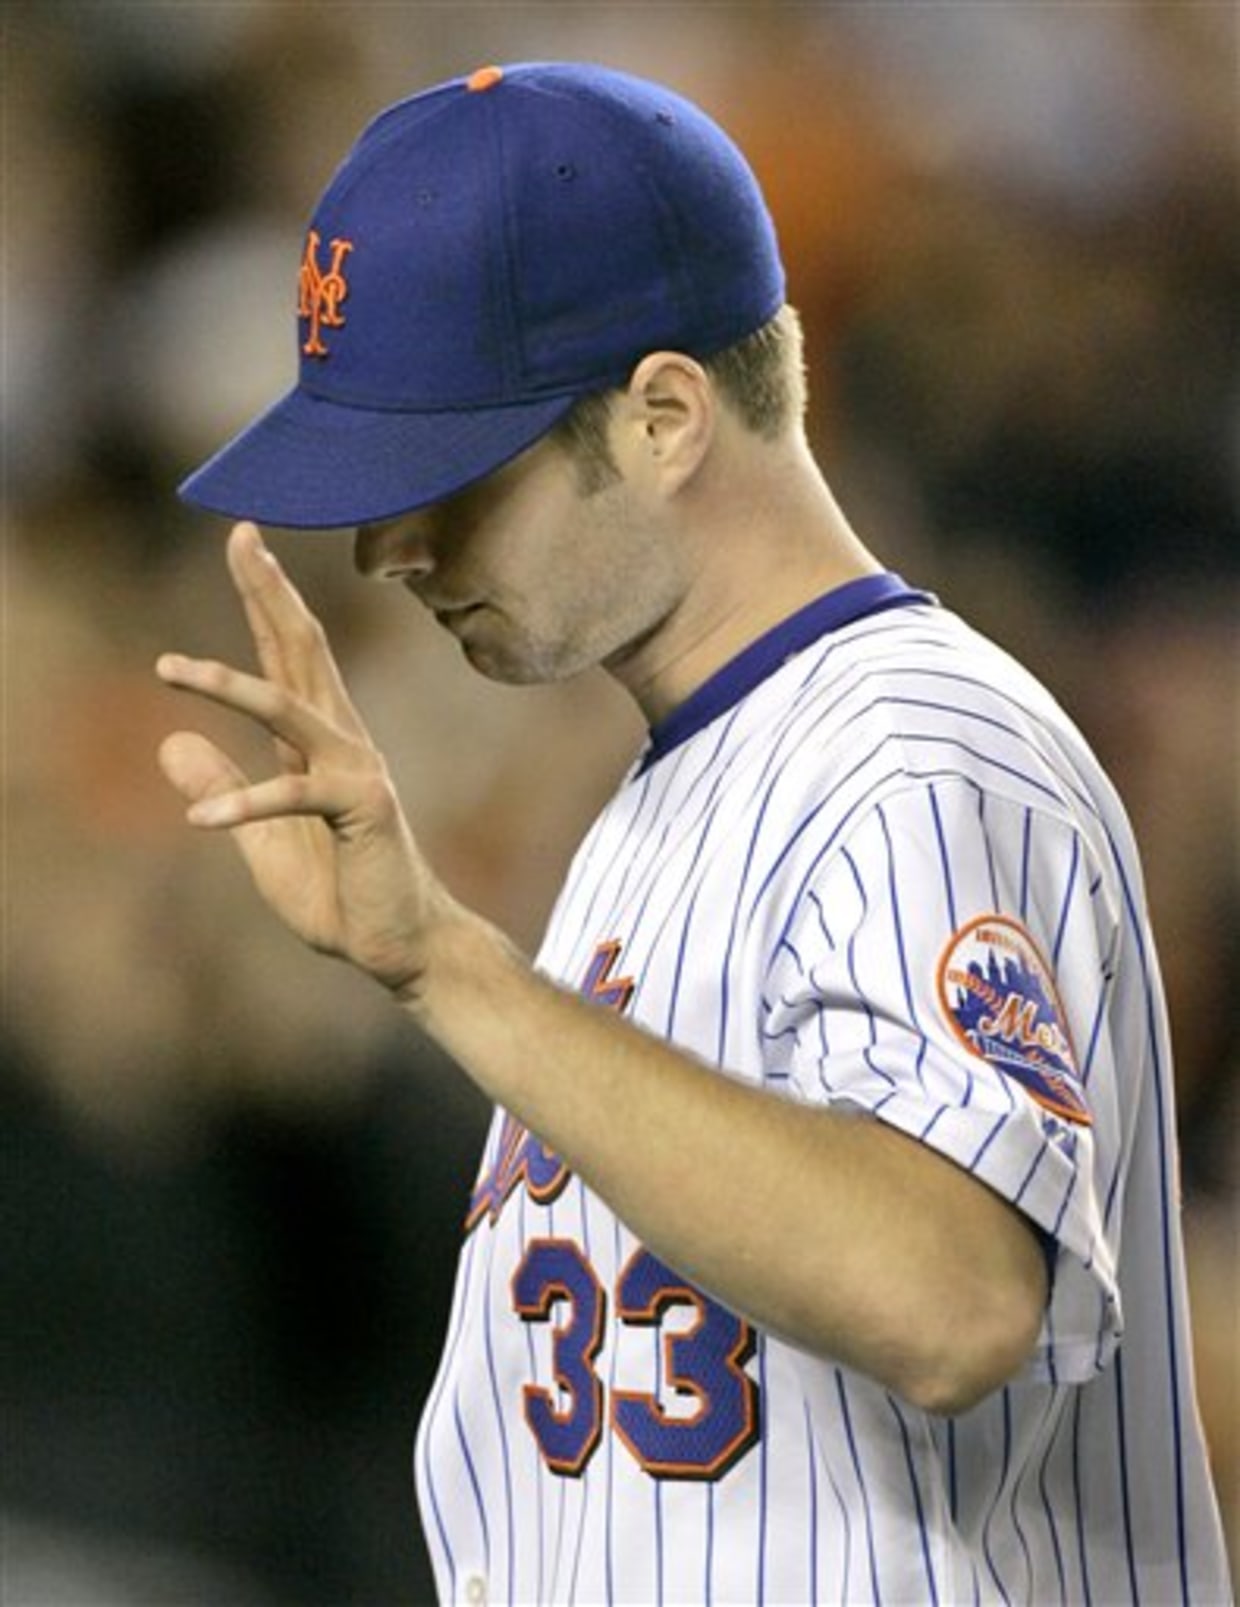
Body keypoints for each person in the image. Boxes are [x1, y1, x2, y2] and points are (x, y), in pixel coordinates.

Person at [157, 62, 1231, 1605]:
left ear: (664, 416)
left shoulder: (909, 752)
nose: (388, 547)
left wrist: (451, 968)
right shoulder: (673, 795)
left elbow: (947, 1296)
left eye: (450, 477)